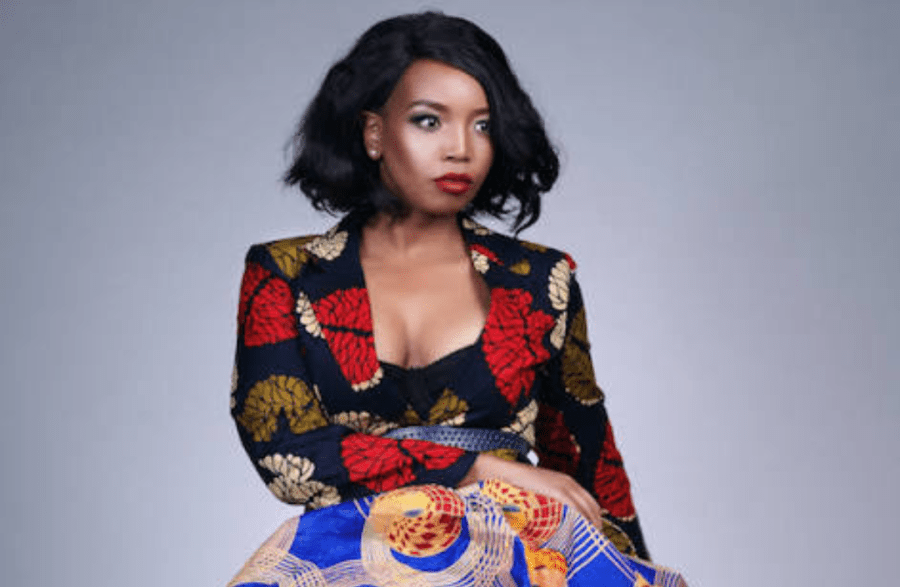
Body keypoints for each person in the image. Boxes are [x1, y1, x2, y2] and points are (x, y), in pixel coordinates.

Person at [228, 11, 686, 587]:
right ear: (374, 133)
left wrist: (632, 569)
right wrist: (478, 466)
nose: (461, 149)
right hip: (347, 565)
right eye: (429, 121)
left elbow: (591, 466)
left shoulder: (542, 280)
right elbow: (286, 454)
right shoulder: (285, 274)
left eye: (483, 125)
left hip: (520, 562)